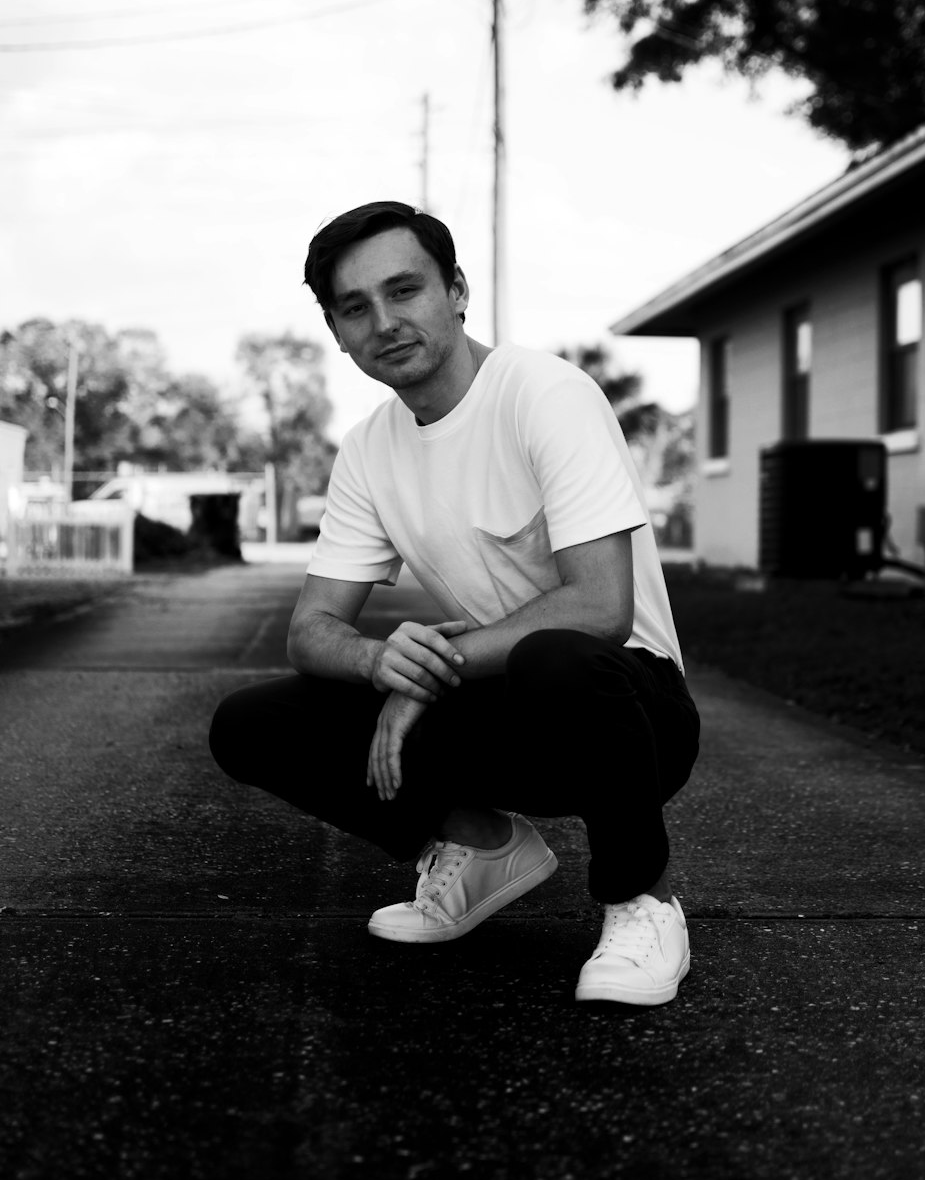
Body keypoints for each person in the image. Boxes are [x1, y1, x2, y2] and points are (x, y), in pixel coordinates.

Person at [209, 200, 700, 1006]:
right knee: (251, 723)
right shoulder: (370, 447)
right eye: (356, 308)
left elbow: (602, 608)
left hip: (631, 715)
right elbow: (310, 630)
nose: (386, 322)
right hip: (501, 712)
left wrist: (428, 674)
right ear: (336, 332)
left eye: (405, 291)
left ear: (457, 291)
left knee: (559, 654)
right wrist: (377, 661)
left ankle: (640, 903)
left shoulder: (544, 393)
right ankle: (484, 850)